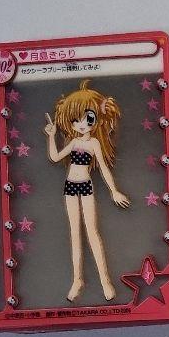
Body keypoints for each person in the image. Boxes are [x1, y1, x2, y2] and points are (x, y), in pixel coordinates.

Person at [44, 81, 129, 302]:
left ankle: (105, 281)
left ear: (96, 119)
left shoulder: (94, 144)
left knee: (92, 232)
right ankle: (77, 280)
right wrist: (51, 136)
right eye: (76, 119)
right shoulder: (72, 142)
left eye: (87, 119)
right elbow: (54, 157)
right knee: (75, 233)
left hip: (86, 185)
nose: (82, 124)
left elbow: (104, 168)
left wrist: (114, 191)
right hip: (70, 186)